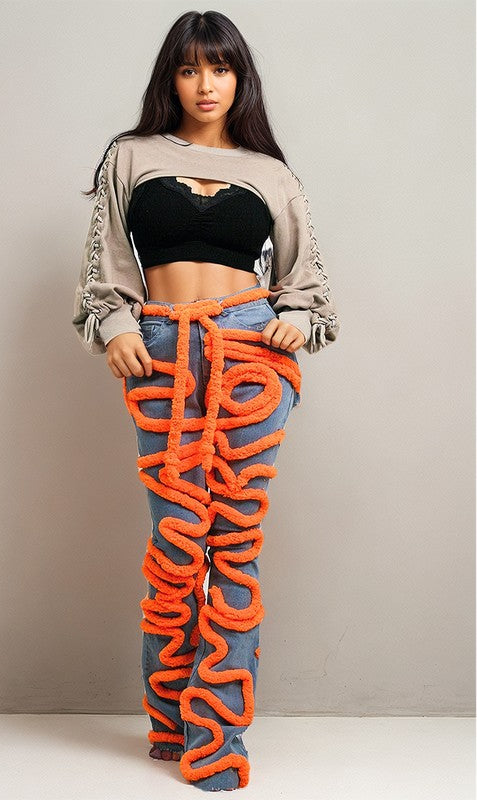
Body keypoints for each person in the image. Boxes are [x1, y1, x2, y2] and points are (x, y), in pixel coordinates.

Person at [72, 9, 340, 793]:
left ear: (239, 78)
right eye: (189, 68)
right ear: (171, 78)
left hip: (250, 353)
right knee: (176, 543)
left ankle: (217, 739)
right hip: (161, 353)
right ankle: (170, 720)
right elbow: (102, 268)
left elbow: (309, 286)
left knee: (235, 544)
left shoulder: (271, 173)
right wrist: (117, 326)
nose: (205, 84)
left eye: (219, 68)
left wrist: (294, 323)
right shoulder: (130, 156)